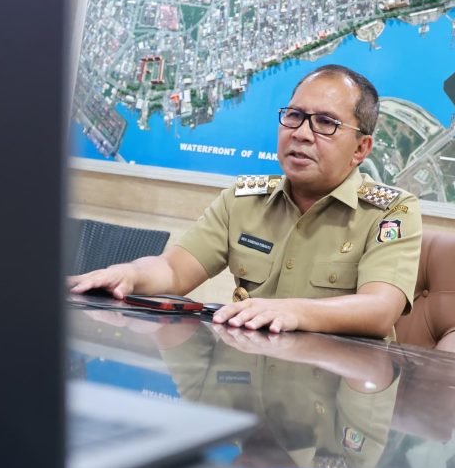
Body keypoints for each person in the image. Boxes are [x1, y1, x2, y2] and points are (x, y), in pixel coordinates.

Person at [67, 65, 422, 338]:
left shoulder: (391, 211)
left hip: (337, 390)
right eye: (294, 116)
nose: (301, 133)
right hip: (249, 374)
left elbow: (380, 310)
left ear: (361, 148)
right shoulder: (244, 199)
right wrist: (129, 274)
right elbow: (174, 271)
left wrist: (294, 312)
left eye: (325, 123)